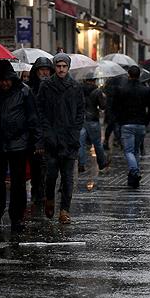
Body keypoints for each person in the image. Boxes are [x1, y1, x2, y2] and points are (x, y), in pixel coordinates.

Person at [0, 60, 38, 233]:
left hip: (18, 144)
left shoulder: (24, 91)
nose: (5, 83)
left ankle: (16, 216)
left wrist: (35, 141)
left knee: (18, 182)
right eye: (2, 80)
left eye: (7, 80)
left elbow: (32, 118)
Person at [36, 53, 85, 224]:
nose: (61, 69)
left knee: (67, 177)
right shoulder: (46, 86)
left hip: (69, 140)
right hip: (52, 139)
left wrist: (75, 132)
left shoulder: (75, 86)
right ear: (54, 67)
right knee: (50, 175)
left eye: (64, 66)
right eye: (58, 66)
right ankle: (49, 198)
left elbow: (80, 111)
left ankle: (65, 210)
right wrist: (46, 133)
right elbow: (40, 110)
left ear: (68, 67)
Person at [115, 66, 150, 188]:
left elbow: (116, 107)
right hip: (140, 124)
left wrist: (120, 120)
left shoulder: (122, 89)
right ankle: (133, 178)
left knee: (128, 151)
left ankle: (135, 171)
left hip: (127, 123)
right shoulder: (145, 90)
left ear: (129, 75)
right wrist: (146, 121)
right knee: (136, 150)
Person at [25, 57, 53, 217]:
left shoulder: (53, 88)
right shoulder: (29, 89)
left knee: (46, 166)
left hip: (49, 133)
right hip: (33, 134)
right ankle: (38, 192)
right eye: (41, 69)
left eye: (47, 69)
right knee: (36, 166)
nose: (44, 72)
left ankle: (43, 193)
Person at [79, 76, 109, 174]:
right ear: (94, 80)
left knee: (81, 144)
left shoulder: (78, 89)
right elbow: (103, 106)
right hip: (93, 120)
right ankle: (102, 163)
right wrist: (103, 98)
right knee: (97, 143)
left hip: (81, 119)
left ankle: (81, 164)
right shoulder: (97, 91)